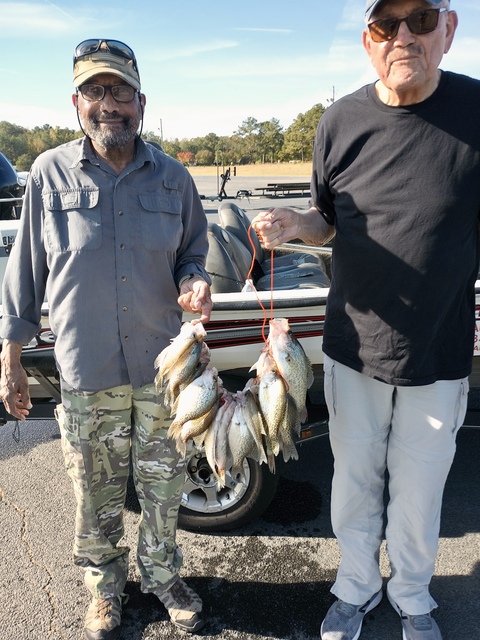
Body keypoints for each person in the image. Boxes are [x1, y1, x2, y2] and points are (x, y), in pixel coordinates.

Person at [252, 1, 480, 639]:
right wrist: (298, 224)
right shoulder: (340, 120)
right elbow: (327, 218)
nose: (403, 36)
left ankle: (412, 595)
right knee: (353, 482)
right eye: (386, 25)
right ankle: (354, 587)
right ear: (368, 41)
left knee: (421, 486)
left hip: (441, 348)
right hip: (354, 346)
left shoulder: (476, 110)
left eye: (420, 20)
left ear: (449, 30)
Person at [0, 39, 212, 639]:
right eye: (95, 91)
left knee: (164, 487)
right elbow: (25, 272)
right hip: (86, 369)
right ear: (76, 102)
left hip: (162, 369)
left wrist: (195, 280)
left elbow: (193, 251)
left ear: (140, 101)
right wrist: (10, 358)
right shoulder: (48, 172)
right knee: (93, 494)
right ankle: (105, 588)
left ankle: (164, 575)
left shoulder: (173, 178)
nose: (108, 104)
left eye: (119, 90)